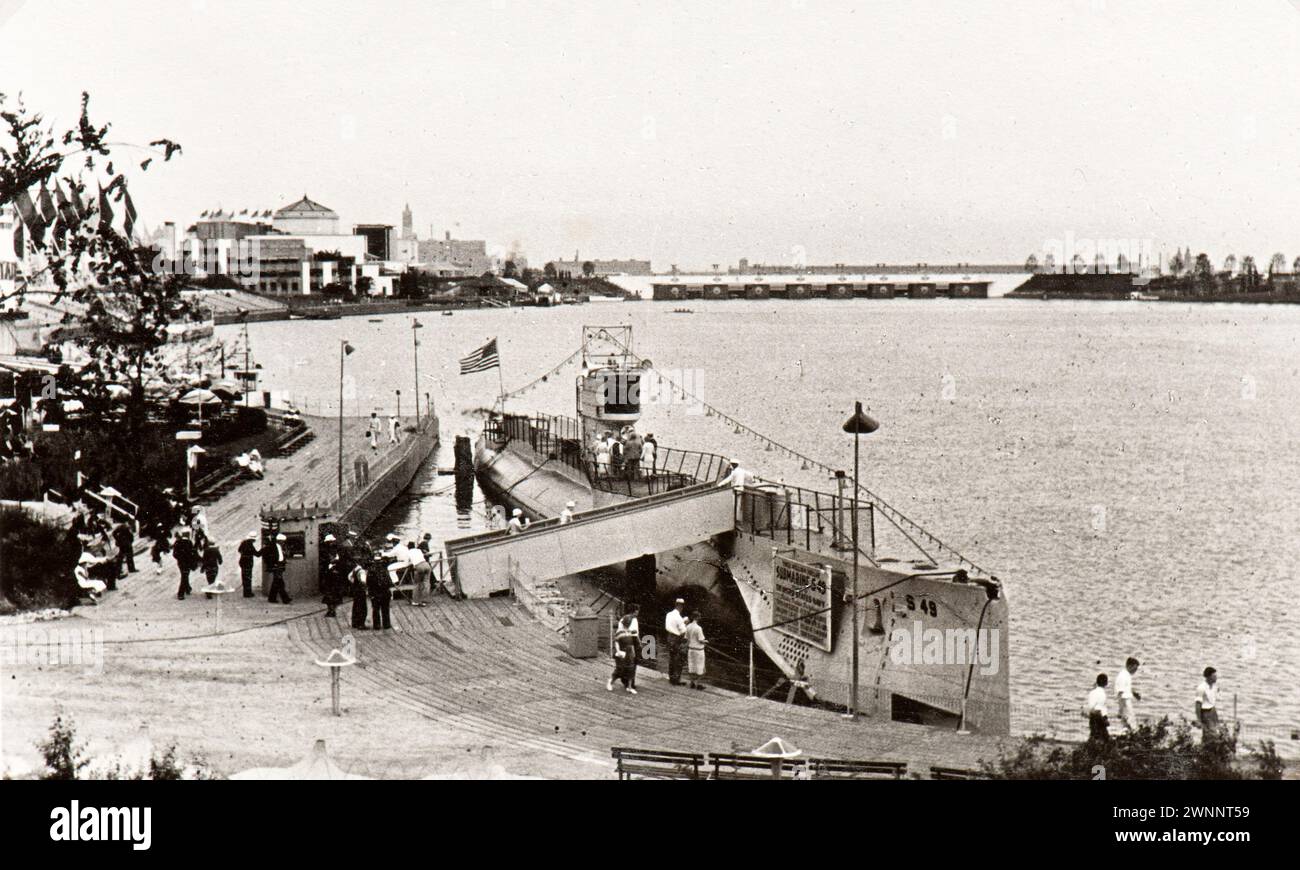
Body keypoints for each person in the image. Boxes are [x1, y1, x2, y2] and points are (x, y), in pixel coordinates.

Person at [607, 613, 638, 694]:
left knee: (631, 670)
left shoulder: (630, 631)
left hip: (629, 652)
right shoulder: (619, 632)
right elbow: (616, 642)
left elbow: (631, 644)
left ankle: (629, 687)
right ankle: (610, 682)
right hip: (622, 652)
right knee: (619, 670)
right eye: (628, 623)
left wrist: (633, 653)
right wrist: (618, 651)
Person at [367, 550, 393, 630]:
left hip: (375, 592)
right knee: (385, 609)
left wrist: (370, 593)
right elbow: (389, 582)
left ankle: (377, 625)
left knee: (376, 609)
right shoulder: (384, 569)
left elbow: (368, 583)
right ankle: (386, 624)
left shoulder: (371, 570)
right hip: (385, 592)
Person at [665, 597, 688, 686]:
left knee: (671, 658)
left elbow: (668, 627)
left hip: (670, 637)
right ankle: (676, 680)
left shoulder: (669, 614)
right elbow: (683, 631)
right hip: (677, 639)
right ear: (681, 607)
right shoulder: (679, 617)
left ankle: (671, 677)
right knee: (678, 660)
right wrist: (685, 623)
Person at [1115, 656, 1142, 732]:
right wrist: (1120, 709)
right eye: (1135, 668)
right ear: (1129, 666)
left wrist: (1134, 693)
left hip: (1126, 701)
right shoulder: (1123, 676)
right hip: (1124, 702)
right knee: (1131, 722)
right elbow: (1120, 692)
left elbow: (1126, 687)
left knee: (1127, 723)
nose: (1135, 671)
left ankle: (1126, 738)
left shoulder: (1126, 675)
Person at [1195, 666, 1221, 743]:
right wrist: (1199, 720)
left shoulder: (1214, 687)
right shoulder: (1201, 688)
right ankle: (1205, 750)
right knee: (1209, 733)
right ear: (1209, 676)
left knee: (1216, 731)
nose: (1216, 678)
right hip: (1205, 712)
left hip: (1213, 711)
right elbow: (1198, 704)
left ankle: (1208, 750)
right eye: (1214, 676)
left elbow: (1215, 693)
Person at [1084, 673, 1110, 744]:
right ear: (1106, 683)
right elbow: (1101, 709)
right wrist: (1105, 719)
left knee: (1094, 733)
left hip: (1092, 715)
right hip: (1098, 715)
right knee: (1104, 736)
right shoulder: (1102, 694)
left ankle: (1090, 746)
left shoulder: (1092, 692)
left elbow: (1090, 706)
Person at [267, 533, 291, 604]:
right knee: (280, 582)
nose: (283, 543)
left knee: (276, 582)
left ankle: (272, 598)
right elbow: (271, 557)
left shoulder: (280, 547)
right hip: (276, 566)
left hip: (280, 565)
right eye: (282, 541)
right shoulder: (273, 547)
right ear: (279, 540)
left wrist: (284, 561)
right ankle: (285, 599)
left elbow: (280, 556)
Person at [173, 528, 197, 600]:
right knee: (184, 576)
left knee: (184, 575)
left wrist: (179, 558)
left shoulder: (177, 542)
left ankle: (188, 588)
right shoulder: (189, 543)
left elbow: (174, 554)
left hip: (180, 563)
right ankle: (180, 593)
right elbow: (193, 553)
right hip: (187, 562)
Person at [685, 612, 707, 689]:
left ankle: (692, 682)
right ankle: (698, 684)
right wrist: (706, 641)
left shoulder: (688, 626)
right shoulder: (698, 628)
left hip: (691, 649)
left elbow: (686, 638)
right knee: (700, 667)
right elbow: (701, 640)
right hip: (698, 650)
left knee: (691, 666)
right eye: (699, 616)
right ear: (697, 617)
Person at [407, 540, 432, 606]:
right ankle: (425, 599)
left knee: (417, 584)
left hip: (419, 566)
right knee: (426, 582)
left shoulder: (408, 552)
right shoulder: (418, 550)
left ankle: (416, 601)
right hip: (426, 564)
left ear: (408, 547)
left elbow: (408, 562)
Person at [237, 531, 261, 598]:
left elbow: (239, 550)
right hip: (248, 563)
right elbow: (257, 554)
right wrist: (263, 549)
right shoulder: (250, 545)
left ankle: (246, 592)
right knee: (248, 578)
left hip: (242, 562)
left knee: (245, 577)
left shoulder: (244, 543)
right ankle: (248, 593)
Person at [348, 561, 369, 629]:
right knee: (362, 607)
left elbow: (349, 576)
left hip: (355, 591)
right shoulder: (362, 571)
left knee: (356, 606)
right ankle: (361, 624)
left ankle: (355, 623)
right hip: (361, 591)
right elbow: (363, 581)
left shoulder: (355, 570)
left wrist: (354, 582)